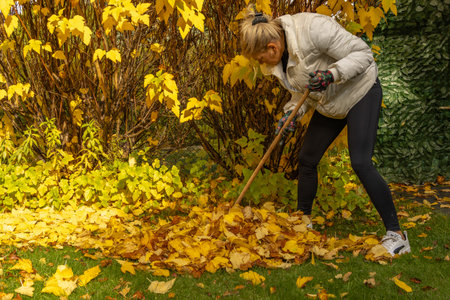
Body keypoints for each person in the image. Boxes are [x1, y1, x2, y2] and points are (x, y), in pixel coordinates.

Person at [240, 9, 411, 256]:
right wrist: (291, 115)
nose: (261, 64)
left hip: (360, 91)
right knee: (307, 160)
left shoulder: (312, 29)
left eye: (260, 58)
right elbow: (302, 92)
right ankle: (303, 221)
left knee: (361, 162)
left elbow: (363, 55)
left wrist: (331, 75)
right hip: (331, 103)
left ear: (272, 47)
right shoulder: (281, 60)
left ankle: (397, 235)